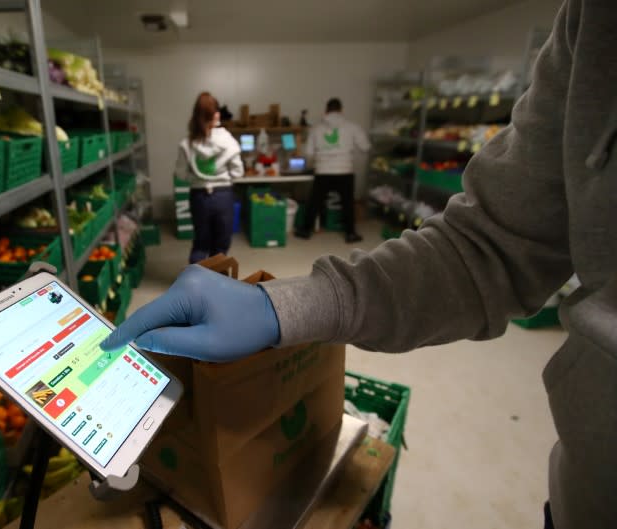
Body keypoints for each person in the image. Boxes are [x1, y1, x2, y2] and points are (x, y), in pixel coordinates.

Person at [103, 2, 615, 528]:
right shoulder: (591, 21)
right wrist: (286, 305)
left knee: (291, 217)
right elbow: (487, 246)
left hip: (233, 190)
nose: (214, 119)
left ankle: (308, 228)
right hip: (581, 500)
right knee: (331, 212)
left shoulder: (226, 138)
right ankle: (322, 229)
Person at [175, 92, 244, 264]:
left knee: (200, 244)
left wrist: (198, 177)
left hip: (198, 197)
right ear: (216, 114)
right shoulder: (228, 141)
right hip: (223, 196)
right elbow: (237, 172)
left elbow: (180, 174)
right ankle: (216, 285)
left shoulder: (187, 143)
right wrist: (221, 175)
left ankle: (196, 286)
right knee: (220, 246)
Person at [296, 98, 370, 243]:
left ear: (326, 111)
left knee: (314, 202)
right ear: (341, 110)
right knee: (347, 203)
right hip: (345, 171)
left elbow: (308, 153)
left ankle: (305, 231)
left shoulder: (316, 129)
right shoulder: (352, 127)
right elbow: (365, 147)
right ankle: (350, 234)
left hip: (323, 171)